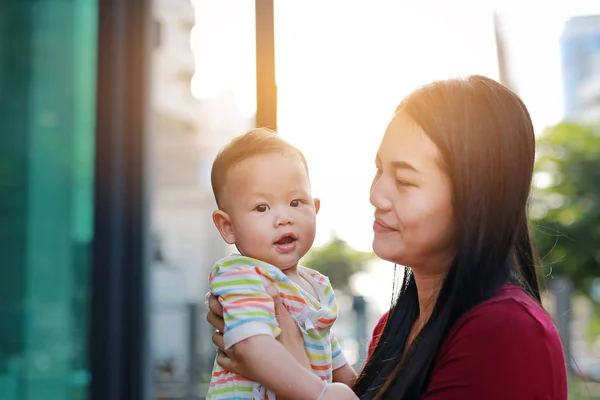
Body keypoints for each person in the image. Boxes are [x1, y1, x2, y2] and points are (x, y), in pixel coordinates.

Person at [207, 75, 569, 399]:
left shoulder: (508, 335)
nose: (376, 195)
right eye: (379, 170)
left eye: (405, 180)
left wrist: (292, 361)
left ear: (475, 198)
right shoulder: (392, 329)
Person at [205, 129, 357, 399]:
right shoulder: (242, 275)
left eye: (296, 202)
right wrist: (319, 393)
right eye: (262, 208)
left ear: (315, 208)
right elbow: (251, 345)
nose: (284, 218)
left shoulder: (317, 285)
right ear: (228, 226)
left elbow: (337, 365)